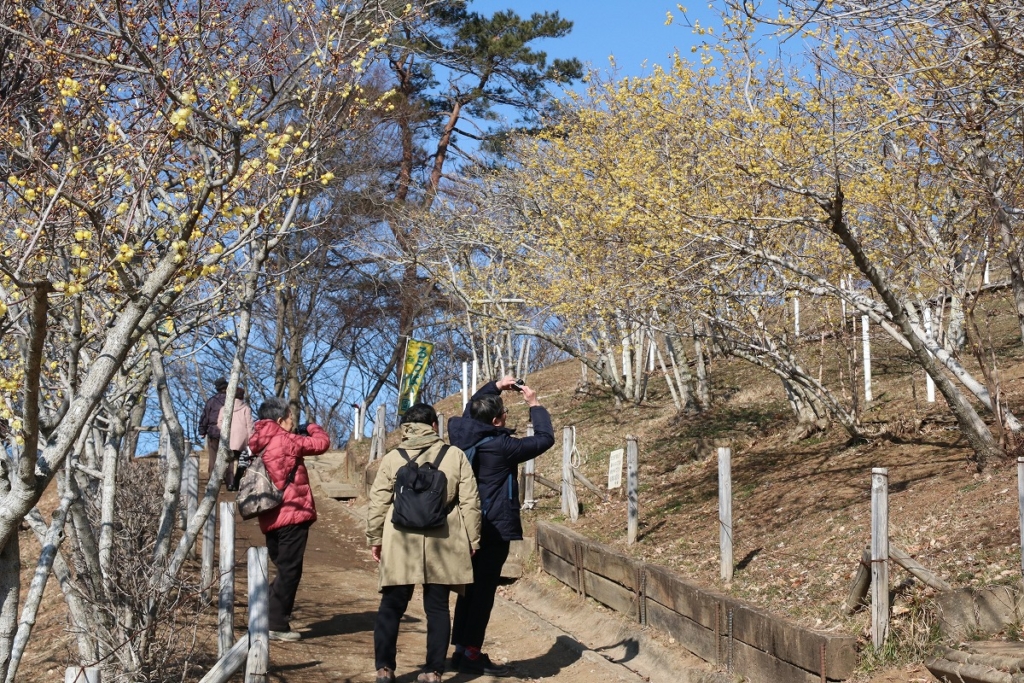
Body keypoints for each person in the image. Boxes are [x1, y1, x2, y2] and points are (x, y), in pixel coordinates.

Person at [447, 375, 555, 676]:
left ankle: (460, 649)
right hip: (494, 526)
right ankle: (472, 653)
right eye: (504, 413)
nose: (507, 416)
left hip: (465, 524)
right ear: (496, 421)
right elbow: (545, 439)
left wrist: (496, 385)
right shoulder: (502, 447)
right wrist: (535, 405)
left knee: (468, 589)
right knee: (483, 591)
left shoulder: (463, 435)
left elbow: (473, 408)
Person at [367, 403, 481, 683]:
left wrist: (375, 537)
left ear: (406, 428)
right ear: (434, 426)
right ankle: (433, 671)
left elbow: (379, 501)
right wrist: (473, 538)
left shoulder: (393, 458)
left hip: (400, 540)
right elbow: (470, 501)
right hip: (443, 538)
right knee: (438, 607)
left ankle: (384, 668)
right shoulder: (454, 455)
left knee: (391, 605)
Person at [247, 397, 330, 642]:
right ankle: (275, 623)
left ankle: (266, 615)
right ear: (280, 420)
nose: (294, 423)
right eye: (292, 418)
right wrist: (312, 427)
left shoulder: (257, 442)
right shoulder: (285, 439)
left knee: (283, 567)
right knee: (290, 571)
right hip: (292, 513)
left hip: (268, 515)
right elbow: (322, 443)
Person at [216, 386, 254, 491]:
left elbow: (219, 423)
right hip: (243, 439)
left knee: (227, 462)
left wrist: (225, 431)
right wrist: (251, 439)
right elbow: (250, 425)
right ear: (242, 396)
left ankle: (227, 484)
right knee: (242, 462)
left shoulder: (224, 409)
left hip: (228, 439)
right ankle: (236, 483)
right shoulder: (246, 408)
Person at [198, 376, 228, 486]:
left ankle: (212, 478)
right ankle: (227, 479)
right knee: (226, 456)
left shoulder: (211, 401)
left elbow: (205, 416)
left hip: (213, 431)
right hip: (228, 432)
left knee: (213, 457)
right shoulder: (232, 401)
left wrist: (202, 430)